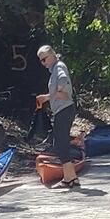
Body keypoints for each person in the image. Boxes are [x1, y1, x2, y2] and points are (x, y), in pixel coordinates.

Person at [36, 45, 79, 188]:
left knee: (60, 144)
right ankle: (71, 177)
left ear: (53, 55)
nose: (43, 63)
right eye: (41, 61)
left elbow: (63, 91)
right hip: (61, 110)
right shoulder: (54, 69)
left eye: (45, 59)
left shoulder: (59, 68)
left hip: (65, 109)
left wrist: (47, 97)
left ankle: (70, 178)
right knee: (60, 143)